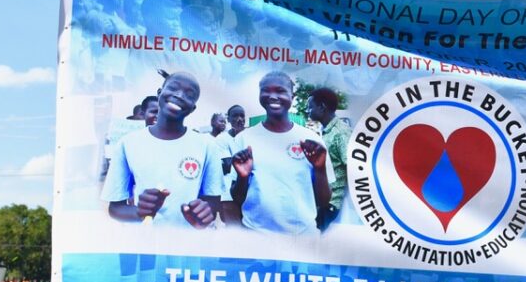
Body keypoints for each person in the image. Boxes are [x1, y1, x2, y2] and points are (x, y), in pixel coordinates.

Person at [101, 69, 222, 227]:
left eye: (189, 95)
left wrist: (202, 213)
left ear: (193, 108)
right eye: (173, 88)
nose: (179, 95)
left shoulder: (207, 146)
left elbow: (213, 205)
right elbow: (115, 209)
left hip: (188, 243)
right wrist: (139, 212)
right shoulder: (128, 144)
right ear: (160, 93)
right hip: (142, 243)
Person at [226, 72, 331, 235]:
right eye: (266, 90)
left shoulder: (311, 139)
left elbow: (323, 201)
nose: (272, 96)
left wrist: (320, 169)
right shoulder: (244, 139)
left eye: (280, 91)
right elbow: (237, 198)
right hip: (256, 235)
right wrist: (243, 176)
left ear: (292, 96)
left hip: (302, 236)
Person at [305, 86, 350, 228]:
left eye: (310, 107)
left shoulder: (341, 133)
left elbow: (354, 169)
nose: (307, 111)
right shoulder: (326, 131)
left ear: (322, 107)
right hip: (323, 202)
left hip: (333, 206)